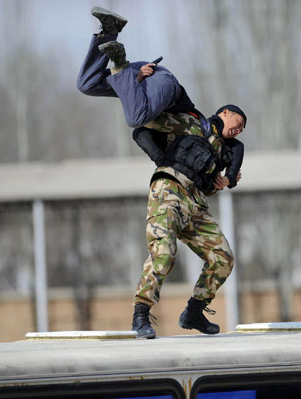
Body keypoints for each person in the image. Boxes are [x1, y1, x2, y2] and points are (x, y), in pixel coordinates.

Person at [77, 7, 247, 339]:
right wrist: (161, 159)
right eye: (237, 124)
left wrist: (220, 181)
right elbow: (141, 128)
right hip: (169, 192)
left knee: (223, 257)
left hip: (194, 205)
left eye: (241, 131)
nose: (238, 131)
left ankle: (194, 312)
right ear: (224, 113)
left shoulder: (221, 153)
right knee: (164, 253)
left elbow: (210, 183)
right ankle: (141, 314)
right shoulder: (189, 121)